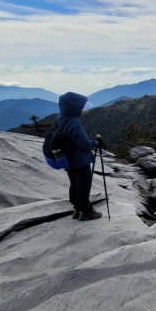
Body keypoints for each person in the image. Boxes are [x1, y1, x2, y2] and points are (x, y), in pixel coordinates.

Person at [58, 92, 103, 221]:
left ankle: (77, 208)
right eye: (81, 106)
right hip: (79, 160)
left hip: (67, 159)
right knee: (84, 185)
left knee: (74, 184)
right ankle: (87, 211)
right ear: (75, 107)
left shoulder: (60, 117)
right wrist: (96, 143)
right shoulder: (74, 122)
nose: (83, 108)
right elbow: (83, 144)